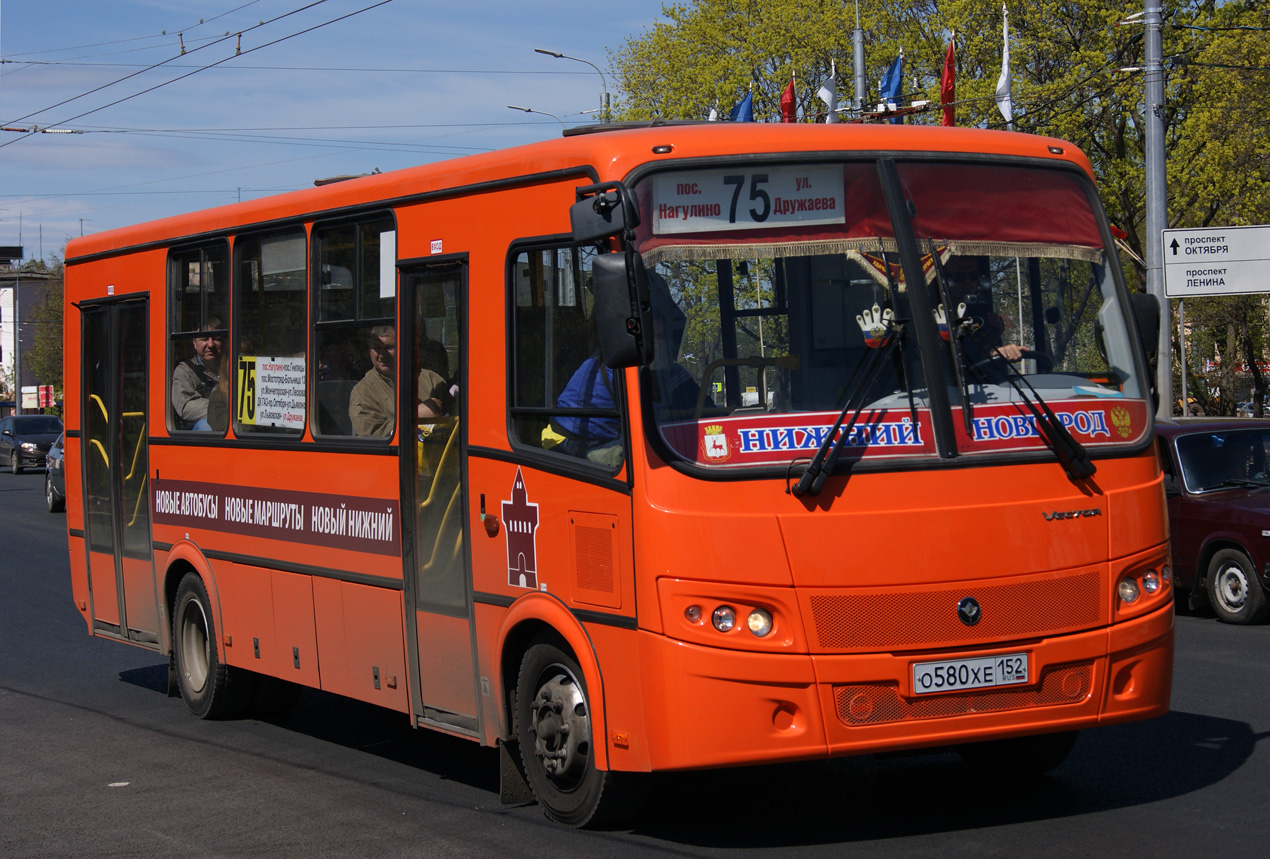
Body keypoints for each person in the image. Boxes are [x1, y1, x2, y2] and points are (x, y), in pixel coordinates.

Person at [172, 316, 224, 431]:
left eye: (216, 338)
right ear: (194, 343)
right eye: (204, 339)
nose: (210, 344)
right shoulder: (184, 370)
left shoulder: (231, 367)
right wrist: (222, 409)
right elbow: (185, 406)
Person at [349, 325, 398, 437]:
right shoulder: (363, 391)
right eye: (377, 348)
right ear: (369, 351)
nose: (382, 354)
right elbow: (370, 435)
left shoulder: (429, 379)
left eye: (389, 347)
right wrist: (415, 418)